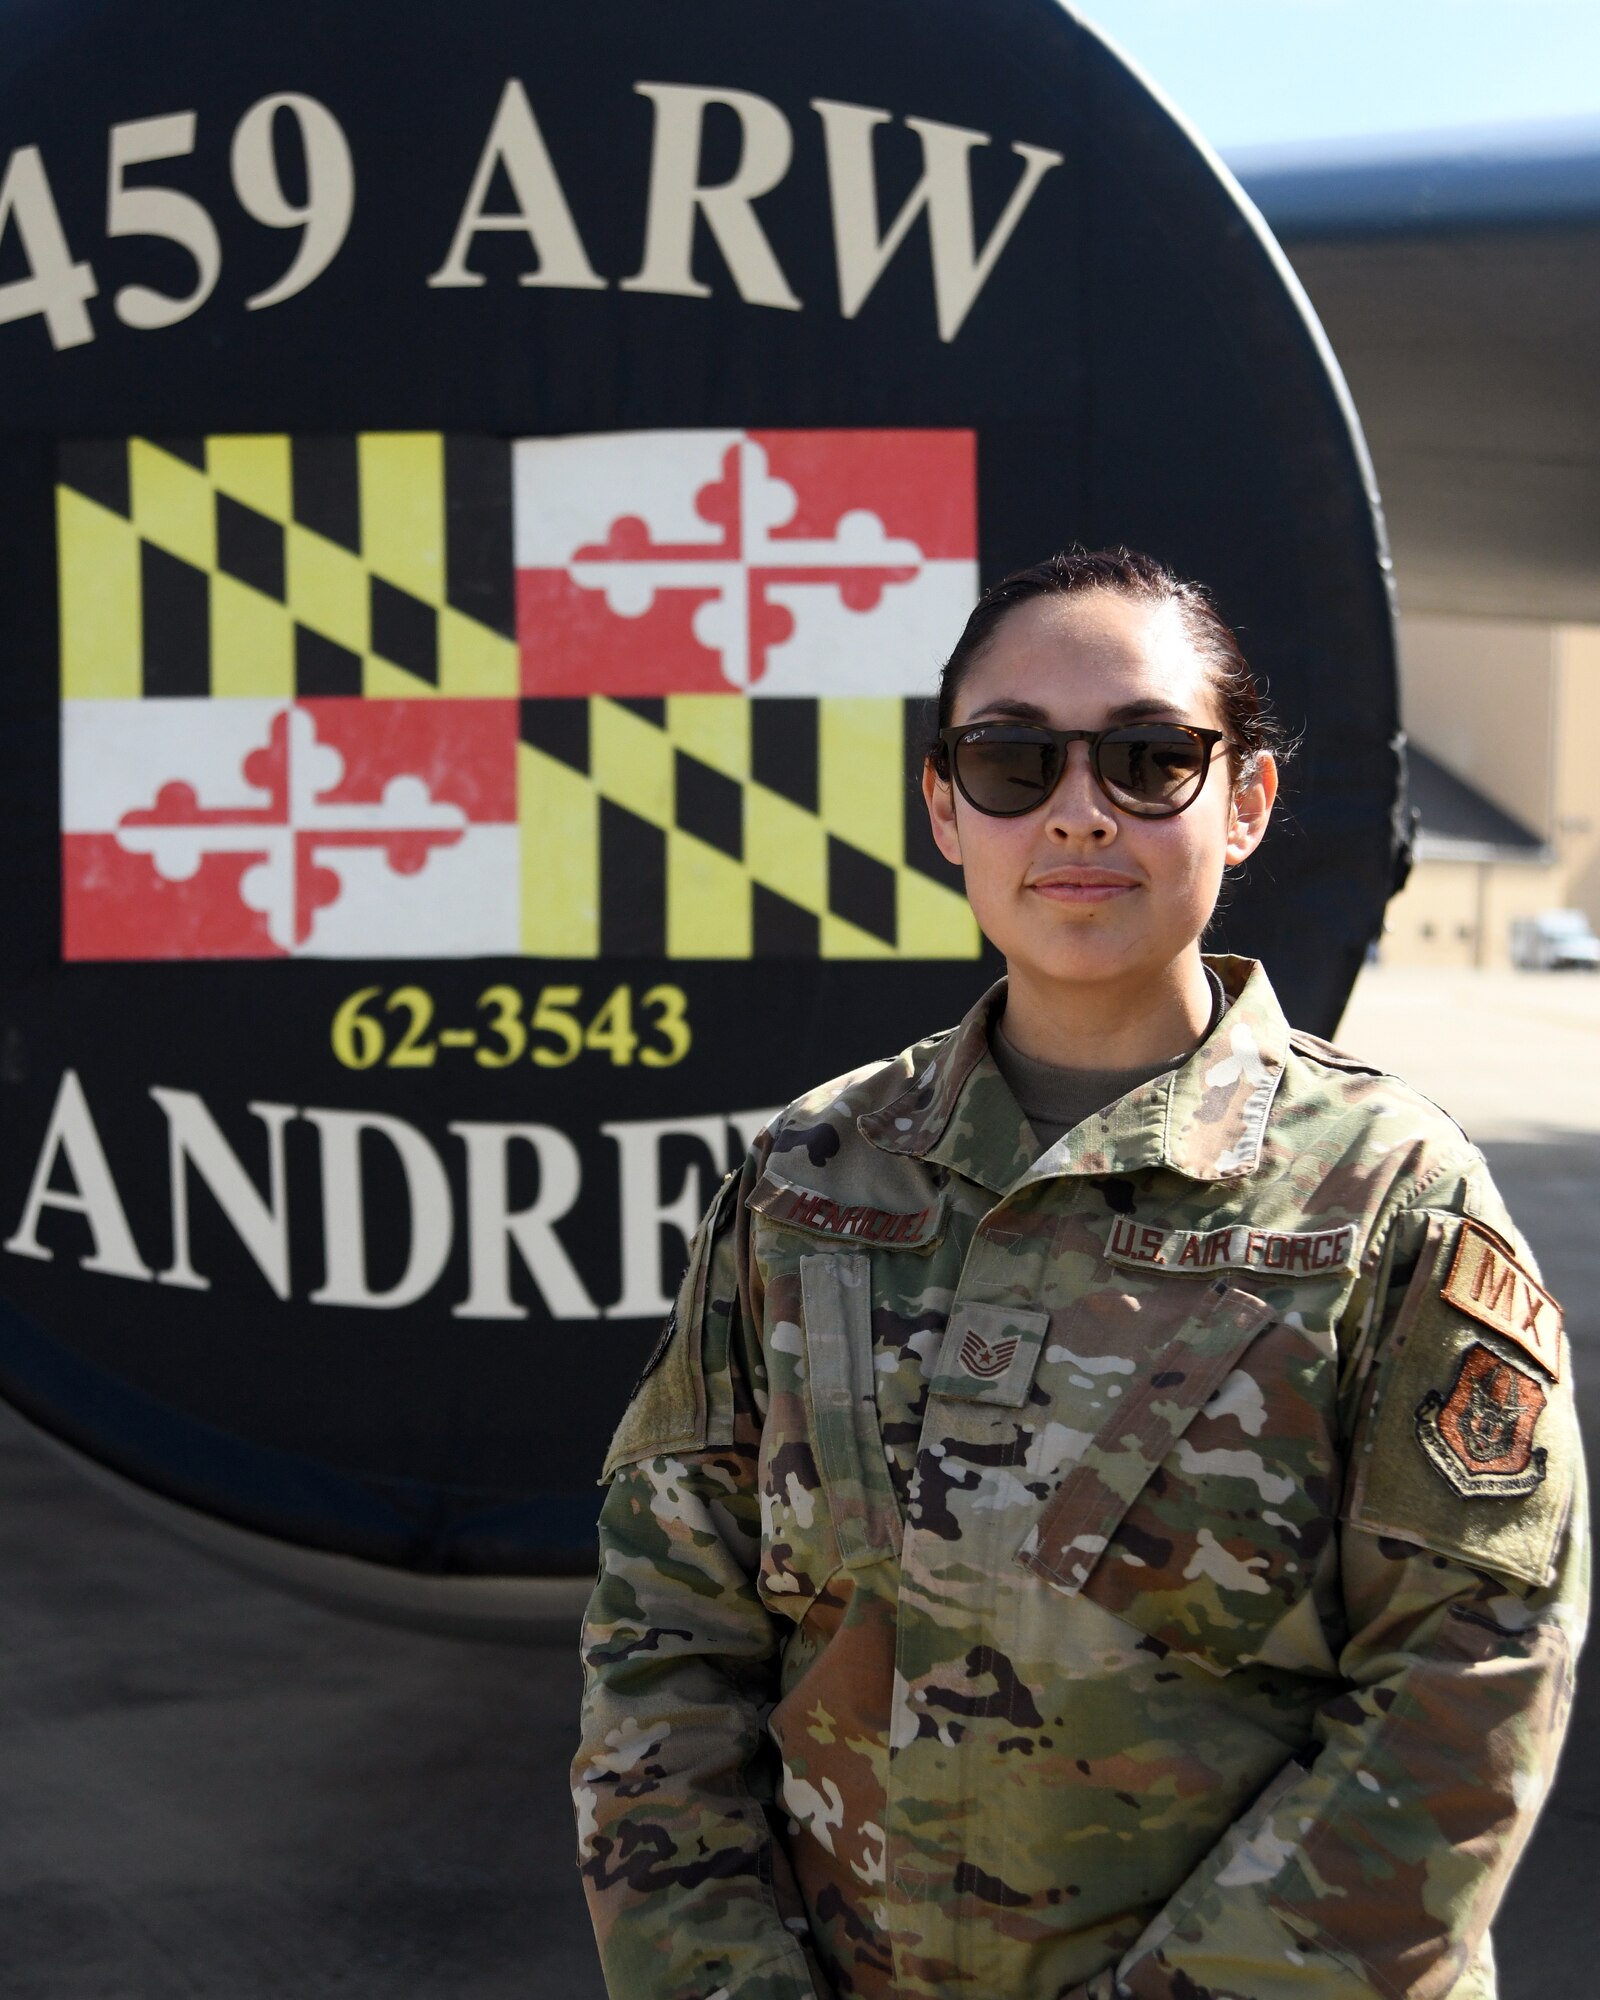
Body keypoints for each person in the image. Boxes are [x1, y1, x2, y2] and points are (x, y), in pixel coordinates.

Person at [572, 549, 1587, 2000]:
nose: (1078, 810)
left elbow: (1469, 1689)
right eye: (1012, 759)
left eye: (1150, 757)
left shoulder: (1389, 1199)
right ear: (943, 807)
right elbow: (663, 1634)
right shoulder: (813, 1180)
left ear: (1245, 802)